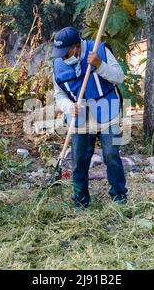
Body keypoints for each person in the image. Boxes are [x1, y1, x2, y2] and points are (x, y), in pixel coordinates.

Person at [51, 26, 128, 208]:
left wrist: (100, 65)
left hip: (107, 110)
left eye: (66, 52)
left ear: (77, 46)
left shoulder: (99, 50)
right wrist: (69, 107)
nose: (63, 57)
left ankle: (120, 199)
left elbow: (119, 77)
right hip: (80, 117)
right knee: (79, 160)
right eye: (60, 53)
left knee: (111, 155)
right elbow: (59, 95)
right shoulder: (58, 65)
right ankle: (80, 202)